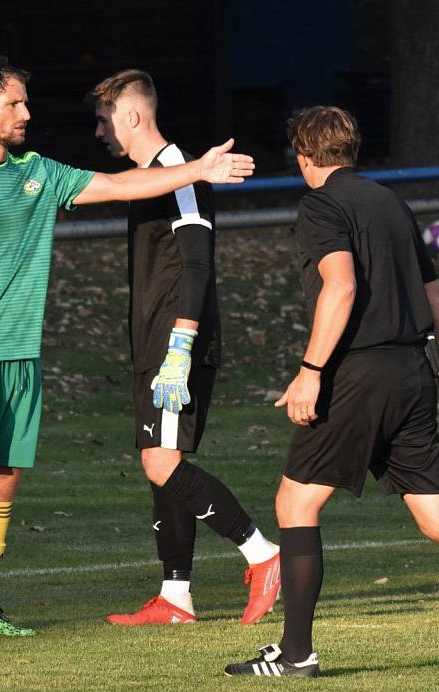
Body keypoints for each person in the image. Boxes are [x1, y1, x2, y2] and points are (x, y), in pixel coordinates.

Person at [0, 55, 254, 639]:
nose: (26, 114)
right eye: (14, 103)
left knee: (4, 481)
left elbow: (118, 184)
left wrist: (197, 169)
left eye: (25, 103)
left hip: (22, 359)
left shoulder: (38, 173)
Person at [225, 106, 439, 681]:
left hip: (358, 375)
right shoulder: (391, 202)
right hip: (412, 372)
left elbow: (339, 287)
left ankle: (296, 655)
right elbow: (437, 303)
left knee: (296, 504)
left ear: (304, 155)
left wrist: (311, 369)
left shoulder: (321, 204)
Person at [89, 69, 281, 625]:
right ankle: (175, 596)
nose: (99, 131)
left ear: (131, 116)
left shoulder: (178, 174)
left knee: (162, 462)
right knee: (161, 461)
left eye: (103, 120)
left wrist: (181, 345)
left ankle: (262, 554)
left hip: (177, 344)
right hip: (156, 342)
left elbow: (197, 263)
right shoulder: (147, 176)